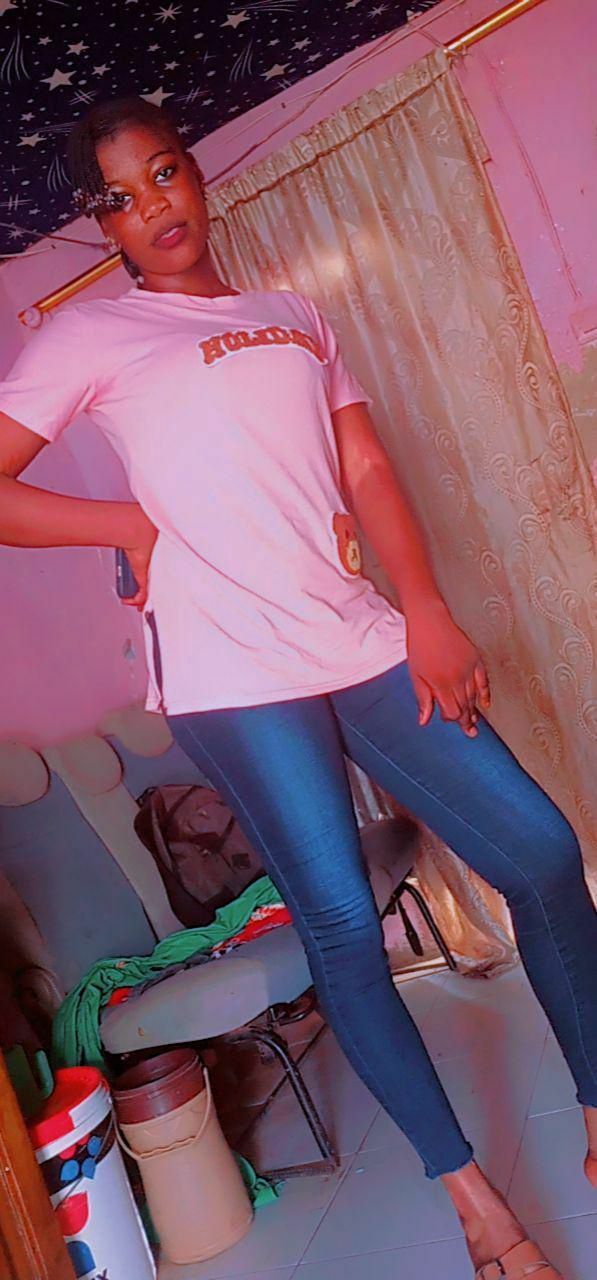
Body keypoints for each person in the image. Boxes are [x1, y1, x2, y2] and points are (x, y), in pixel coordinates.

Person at [0, 97, 594, 1280]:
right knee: (341, 921)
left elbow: (363, 463)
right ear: (102, 224)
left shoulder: (294, 315)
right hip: (230, 672)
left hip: (359, 636)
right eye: (121, 195)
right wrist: (126, 524)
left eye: (166, 172)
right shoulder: (91, 336)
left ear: (196, 177)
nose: (154, 203)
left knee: (540, 850)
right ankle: (475, 1201)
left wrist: (424, 608)